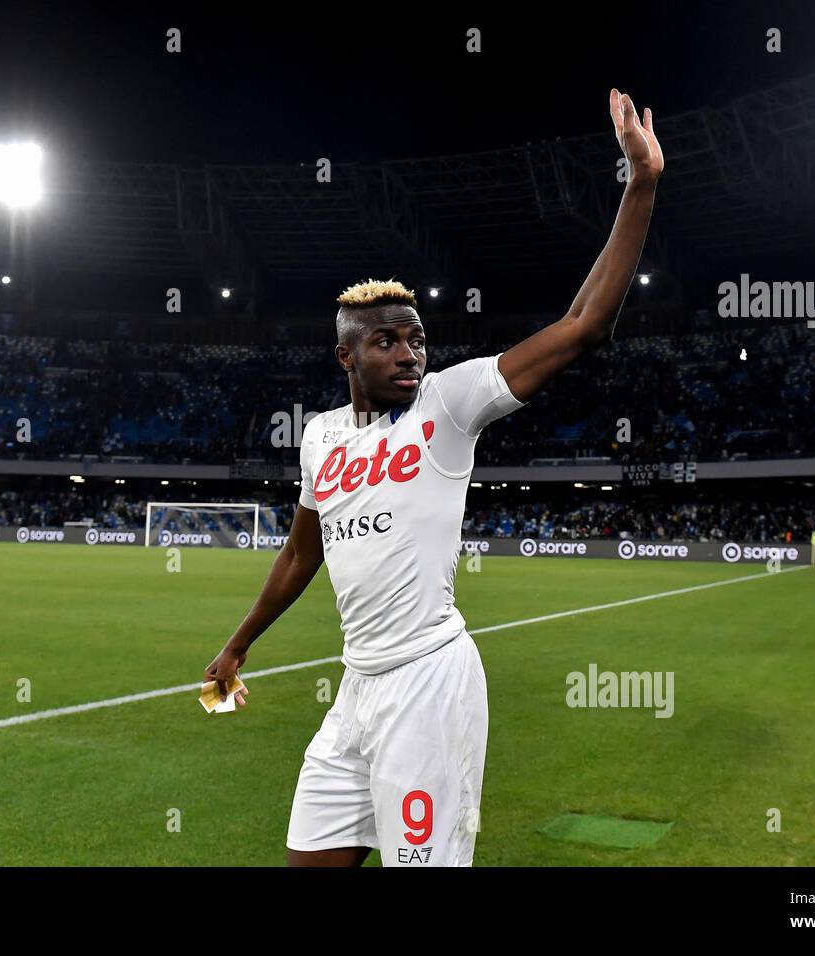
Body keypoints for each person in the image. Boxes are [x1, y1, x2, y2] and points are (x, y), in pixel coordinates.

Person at [204, 89, 663, 866]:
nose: (409, 354)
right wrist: (237, 644)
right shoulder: (319, 437)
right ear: (347, 356)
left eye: (416, 339)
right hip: (355, 691)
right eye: (387, 342)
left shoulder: (447, 405)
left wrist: (640, 185)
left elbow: (585, 324)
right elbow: (299, 556)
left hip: (428, 682)